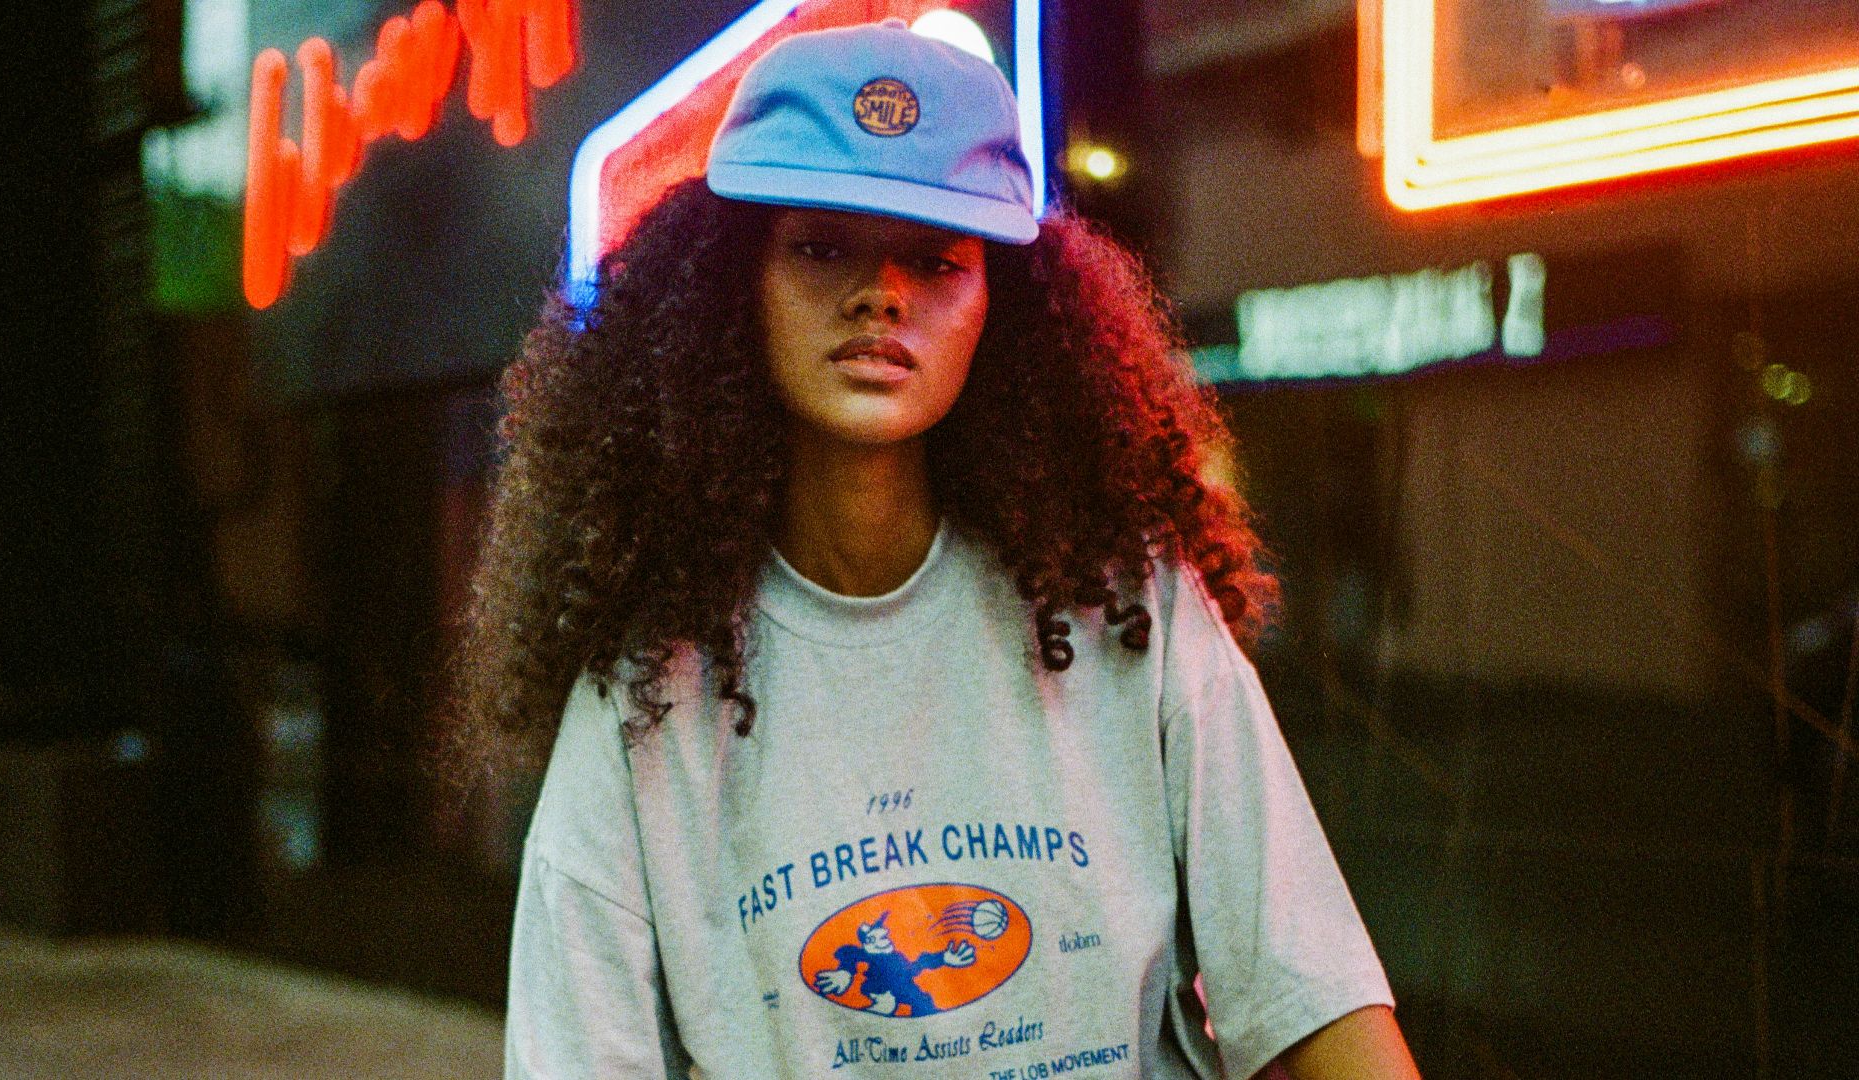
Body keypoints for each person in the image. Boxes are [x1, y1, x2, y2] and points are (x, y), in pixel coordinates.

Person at [452, 18, 1419, 1079]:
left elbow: (1314, 998)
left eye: (934, 257)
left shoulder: (1128, 601)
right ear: (738, 287)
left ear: (1001, 305)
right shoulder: (645, 693)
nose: (881, 295)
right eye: (821, 246)